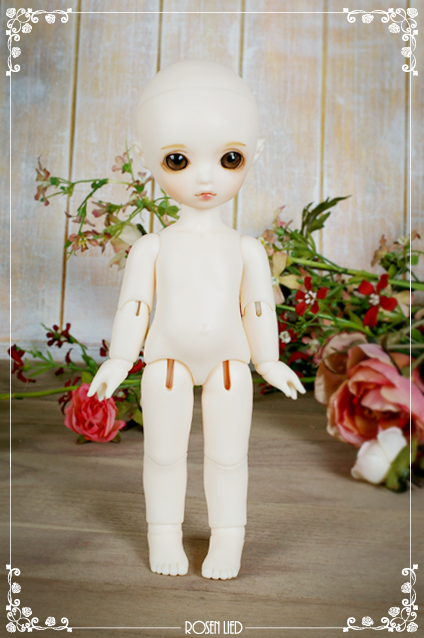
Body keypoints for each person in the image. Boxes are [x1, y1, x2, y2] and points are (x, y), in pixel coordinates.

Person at [88, 60, 305, 580]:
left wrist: (269, 361)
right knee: (163, 454)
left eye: (230, 158)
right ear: (147, 158)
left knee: (229, 457)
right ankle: (162, 532)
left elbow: (257, 307)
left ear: (255, 153)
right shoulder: (152, 246)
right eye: (178, 160)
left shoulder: (247, 249)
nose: (205, 178)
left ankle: (228, 538)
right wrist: (119, 359)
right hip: (167, 363)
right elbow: (135, 306)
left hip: (230, 364)